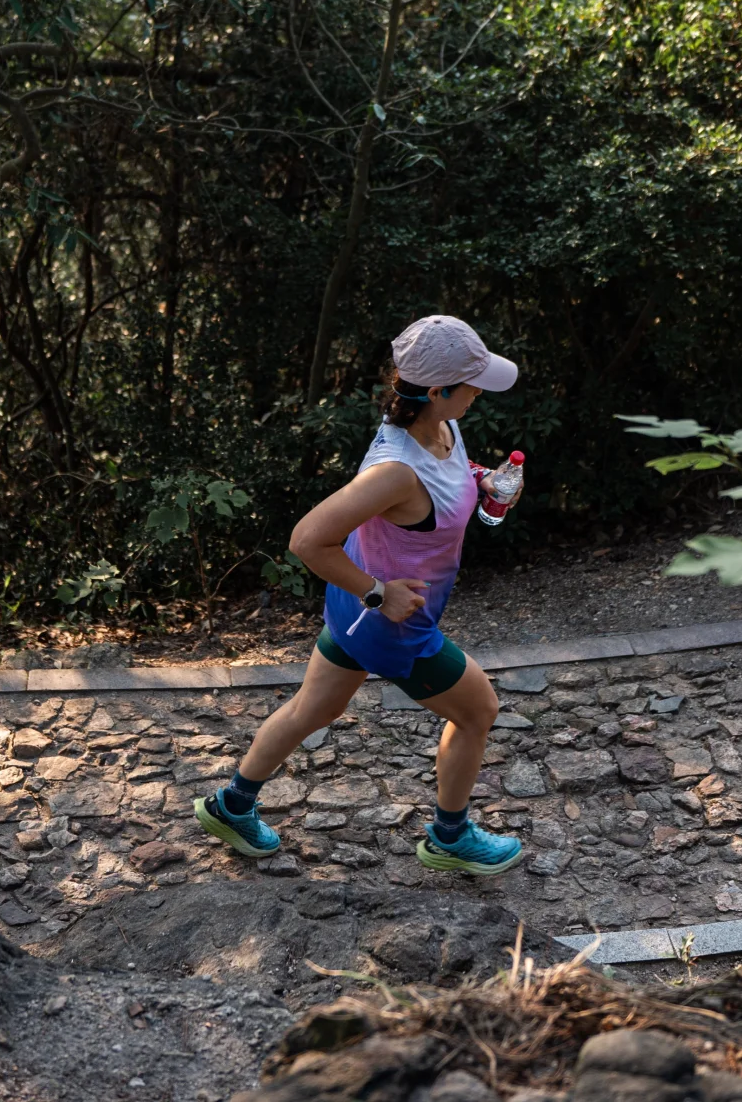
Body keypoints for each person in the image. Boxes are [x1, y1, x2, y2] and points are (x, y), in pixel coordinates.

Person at [194, 314, 527, 876]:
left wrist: (479, 481)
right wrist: (380, 595)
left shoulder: (436, 424)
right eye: (472, 382)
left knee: (313, 708)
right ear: (438, 389)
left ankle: (232, 806)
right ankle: (450, 838)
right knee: (478, 711)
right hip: (391, 624)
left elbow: (439, 477)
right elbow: (307, 540)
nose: (479, 391)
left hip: (356, 615)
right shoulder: (393, 471)